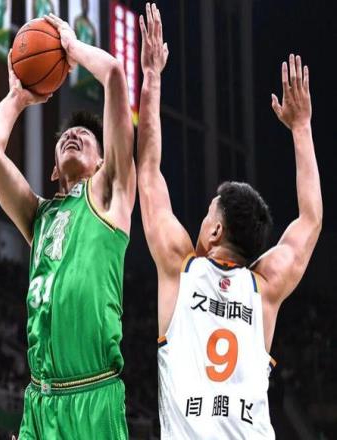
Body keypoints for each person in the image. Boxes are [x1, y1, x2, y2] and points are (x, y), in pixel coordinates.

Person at [137, 4, 322, 439]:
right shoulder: (266, 287)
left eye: (207, 216)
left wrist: (152, 76)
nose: (201, 223)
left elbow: (148, 170)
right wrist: (301, 128)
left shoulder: (180, 267)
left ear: (216, 230)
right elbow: (311, 219)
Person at [0, 12, 135, 439]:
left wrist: (71, 47)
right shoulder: (39, 216)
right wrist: (17, 99)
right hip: (40, 403)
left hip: (93, 396)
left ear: (103, 162)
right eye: (66, 135)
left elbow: (115, 75)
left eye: (86, 136)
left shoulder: (110, 195)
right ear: (52, 169)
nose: (73, 135)